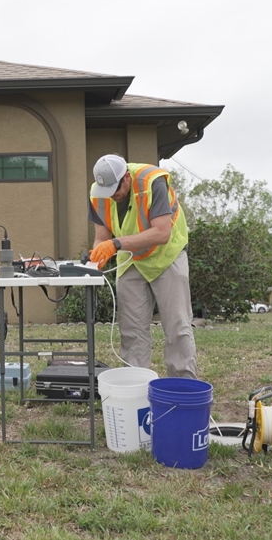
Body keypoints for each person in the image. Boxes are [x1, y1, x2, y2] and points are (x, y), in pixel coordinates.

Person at [87, 154, 197, 379]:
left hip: (167, 257)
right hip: (131, 259)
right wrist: (97, 254)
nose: (112, 195)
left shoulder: (152, 181)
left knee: (177, 326)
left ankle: (182, 387)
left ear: (126, 177)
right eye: (106, 191)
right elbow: (102, 236)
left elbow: (162, 233)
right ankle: (135, 385)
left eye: (115, 189)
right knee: (132, 330)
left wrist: (116, 244)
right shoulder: (99, 193)